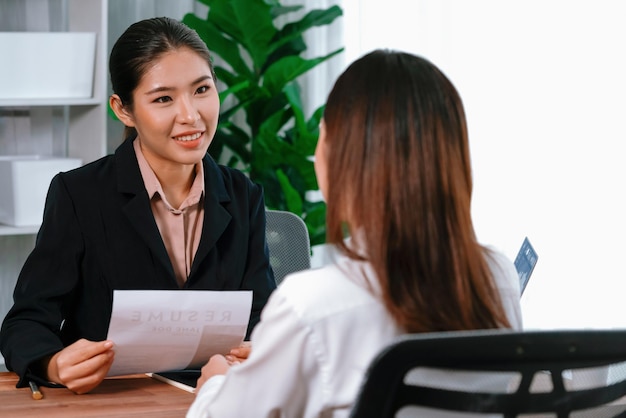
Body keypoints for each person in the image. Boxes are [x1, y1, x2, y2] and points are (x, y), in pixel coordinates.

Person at [185, 49, 523, 418]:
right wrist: (279, 351)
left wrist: (216, 381)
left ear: (343, 158)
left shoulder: (312, 304)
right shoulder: (497, 277)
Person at [0, 16, 276, 394]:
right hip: (112, 401)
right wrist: (54, 363)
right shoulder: (79, 195)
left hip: (217, 397)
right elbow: (26, 322)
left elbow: (263, 316)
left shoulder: (244, 195)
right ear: (123, 109)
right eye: (164, 98)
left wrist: (261, 346)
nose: (190, 115)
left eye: (201, 90)